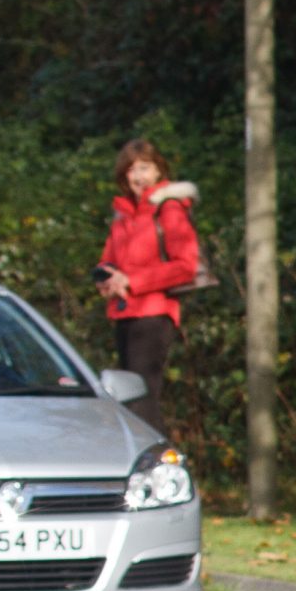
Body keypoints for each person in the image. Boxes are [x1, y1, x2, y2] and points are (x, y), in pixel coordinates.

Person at [95, 139, 202, 429]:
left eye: (145, 168)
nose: (138, 176)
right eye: (131, 170)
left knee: (142, 396)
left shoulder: (168, 208)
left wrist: (132, 281)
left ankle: (157, 467)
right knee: (126, 395)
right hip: (123, 311)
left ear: (158, 171)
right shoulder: (124, 213)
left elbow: (185, 267)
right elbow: (109, 259)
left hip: (153, 314)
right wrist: (106, 277)